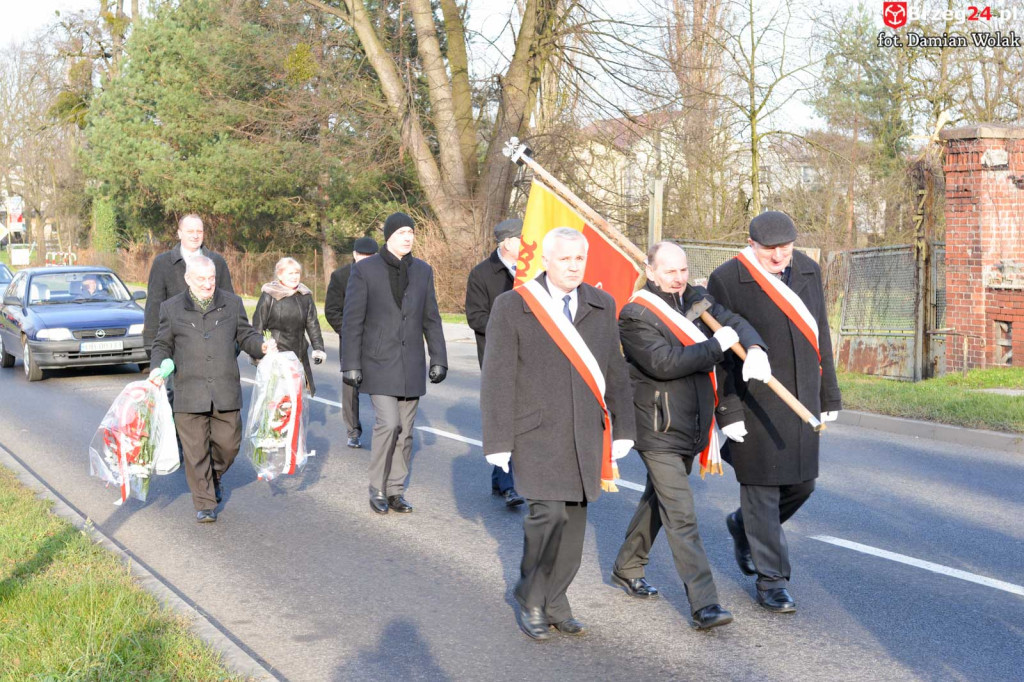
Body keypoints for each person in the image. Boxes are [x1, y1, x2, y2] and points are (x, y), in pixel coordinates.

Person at [481, 227, 636, 641]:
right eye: (565, 259)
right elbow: (497, 376)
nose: (573, 266)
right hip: (535, 432)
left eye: (579, 259)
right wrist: (497, 441)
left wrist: (623, 427)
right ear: (546, 260)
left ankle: (557, 601)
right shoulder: (513, 305)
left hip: (586, 431)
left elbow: (614, 369)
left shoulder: (602, 304)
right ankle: (531, 597)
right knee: (547, 515)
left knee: (573, 522)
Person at [609, 241, 768, 630]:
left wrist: (755, 346)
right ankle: (704, 604)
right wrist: (715, 346)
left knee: (657, 501)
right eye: (669, 271)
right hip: (657, 427)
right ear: (650, 272)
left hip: (693, 426)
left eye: (682, 269)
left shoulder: (695, 299)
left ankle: (627, 566)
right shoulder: (634, 314)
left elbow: (734, 322)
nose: (678, 277)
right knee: (681, 514)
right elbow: (663, 363)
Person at [707, 211, 842, 613]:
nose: (780, 255)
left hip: (799, 396)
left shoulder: (807, 270)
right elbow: (720, 354)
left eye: (787, 246)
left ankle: (742, 525)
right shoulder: (727, 278)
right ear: (751, 244)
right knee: (762, 491)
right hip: (753, 400)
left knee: (802, 486)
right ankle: (772, 582)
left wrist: (829, 394)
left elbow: (820, 332)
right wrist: (727, 410)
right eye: (771, 248)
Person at [149, 256, 275, 523]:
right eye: (201, 279)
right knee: (195, 452)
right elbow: (162, 344)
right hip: (189, 391)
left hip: (224, 388)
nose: (207, 284)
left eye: (211, 278)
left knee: (229, 445)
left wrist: (261, 346)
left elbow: (246, 335)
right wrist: (157, 369)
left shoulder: (232, 303)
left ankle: (215, 474)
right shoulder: (171, 308)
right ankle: (205, 502)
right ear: (188, 279)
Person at [341, 212, 447, 515]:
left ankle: (395, 491)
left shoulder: (423, 271)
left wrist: (438, 357)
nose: (408, 236)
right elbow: (352, 320)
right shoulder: (366, 270)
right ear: (389, 235)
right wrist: (351, 363)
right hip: (377, 360)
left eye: (411, 232)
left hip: (411, 362)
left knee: (406, 430)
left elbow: (432, 317)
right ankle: (376, 488)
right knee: (389, 423)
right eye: (402, 231)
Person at [465, 218, 525, 508]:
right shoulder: (482, 274)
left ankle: (500, 478)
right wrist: (508, 326)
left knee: (523, 420)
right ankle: (508, 485)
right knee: (505, 420)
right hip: (496, 357)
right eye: (522, 238)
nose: (527, 243)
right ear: (507, 242)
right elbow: (475, 317)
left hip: (531, 358)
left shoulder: (535, 271)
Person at [143, 214, 234, 355]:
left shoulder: (217, 261)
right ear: (180, 233)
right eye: (190, 231)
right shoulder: (162, 263)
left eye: (199, 231)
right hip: (175, 347)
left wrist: (233, 344)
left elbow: (229, 303)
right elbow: (154, 307)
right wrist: (151, 345)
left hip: (214, 346)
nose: (195, 236)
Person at [325, 237, 379, 448]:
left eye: (370, 256)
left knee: (381, 386)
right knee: (350, 386)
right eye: (362, 255)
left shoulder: (383, 274)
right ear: (355, 255)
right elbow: (332, 310)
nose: (366, 259)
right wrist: (349, 332)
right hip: (350, 341)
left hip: (378, 341)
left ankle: (384, 427)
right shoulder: (340, 277)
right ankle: (353, 431)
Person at [252, 257, 326, 396]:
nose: (294, 277)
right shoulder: (269, 295)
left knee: (296, 400)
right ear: (280, 274)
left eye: (296, 273)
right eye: (290, 273)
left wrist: (318, 348)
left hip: (298, 355)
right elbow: (258, 325)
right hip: (276, 355)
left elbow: (312, 324)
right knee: (278, 402)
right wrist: (258, 353)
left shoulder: (305, 295)